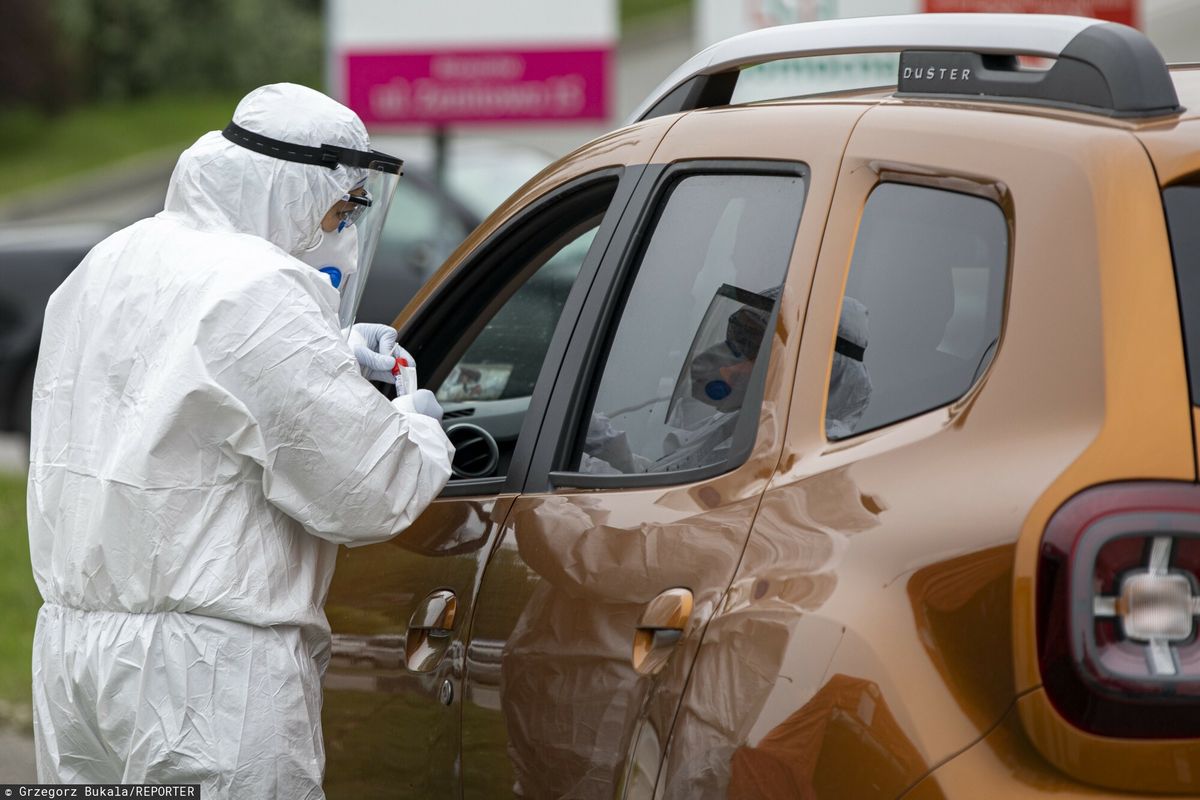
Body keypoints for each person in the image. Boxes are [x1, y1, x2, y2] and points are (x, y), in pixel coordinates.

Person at [26, 83, 454, 798]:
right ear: (285, 190)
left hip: (75, 664)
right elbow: (369, 490)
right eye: (340, 208)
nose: (341, 234)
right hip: (206, 681)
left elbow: (171, 387)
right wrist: (419, 425)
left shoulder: (111, 262)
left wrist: (332, 351)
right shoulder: (260, 290)